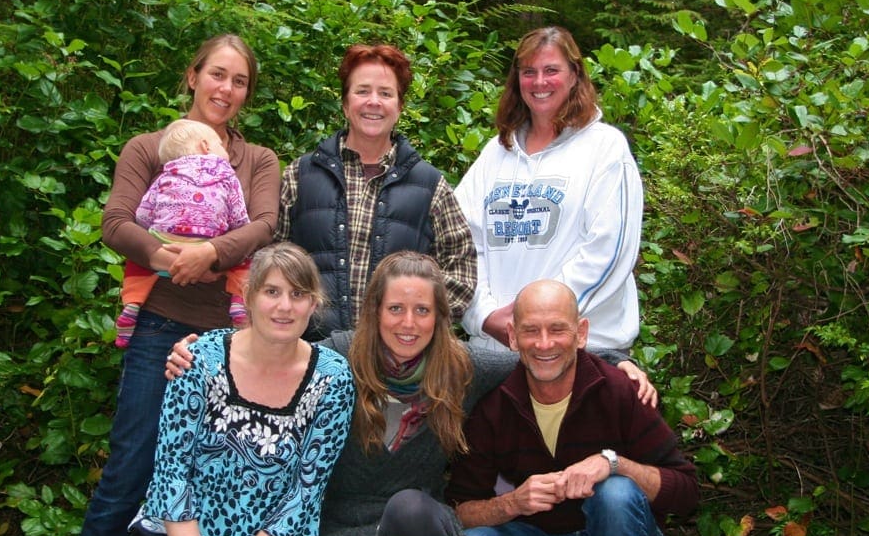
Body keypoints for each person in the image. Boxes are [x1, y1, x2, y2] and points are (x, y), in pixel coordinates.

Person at [167, 251, 516, 536]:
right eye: (395, 308)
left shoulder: (463, 366)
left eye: (422, 310)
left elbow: (546, 362)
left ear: (441, 316)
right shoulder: (336, 357)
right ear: (374, 310)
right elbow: (272, 355)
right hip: (342, 525)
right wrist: (196, 355)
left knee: (410, 508)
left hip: (418, 525)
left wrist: (609, 371)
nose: (408, 323)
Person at [41, 34, 281, 536]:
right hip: (159, 326)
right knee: (134, 458)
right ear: (193, 76)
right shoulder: (148, 148)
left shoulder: (257, 160)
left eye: (240, 81)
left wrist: (212, 253)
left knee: (224, 468)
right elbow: (116, 222)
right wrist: (171, 259)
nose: (226, 89)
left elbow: (263, 224)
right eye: (217, 75)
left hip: (234, 337)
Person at [123, 243, 355, 536]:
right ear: (248, 296)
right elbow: (171, 473)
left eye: (298, 294)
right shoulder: (198, 359)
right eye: (272, 291)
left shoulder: (332, 378)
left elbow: (306, 492)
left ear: (314, 304)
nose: (284, 306)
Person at [445, 280, 700, 536]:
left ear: (581, 333)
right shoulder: (494, 407)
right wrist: (513, 502)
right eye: (531, 330)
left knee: (617, 492)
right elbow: (460, 509)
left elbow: (686, 491)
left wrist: (614, 464)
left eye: (557, 329)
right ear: (512, 336)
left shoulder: (618, 390)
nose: (545, 343)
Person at [455, 26, 651, 390]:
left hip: (581, 354)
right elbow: (461, 243)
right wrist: (484, 316)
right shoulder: (496, 153)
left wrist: (538, 322)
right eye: (528, 72)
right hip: (495, 355)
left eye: (551, 70)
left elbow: (608, 251)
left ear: (575, 74)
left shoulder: (605, 148)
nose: (539, 82)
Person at [277, 43, 476, 340]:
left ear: (399, 107)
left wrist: (416, 322)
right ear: (345, 104)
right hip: (311, 353)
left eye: (385, 93)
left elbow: (462, 268)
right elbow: (270, 262)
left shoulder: (430, 185)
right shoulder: (301, 175)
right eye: (362, 91)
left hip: (394, 357)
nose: (374, 102)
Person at [115, 118, 252, 347]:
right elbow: (239, 217)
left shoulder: (165, 176)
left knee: (137, 261)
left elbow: (143, 214)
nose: (225, 151)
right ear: (205, 146)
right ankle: (238, 303)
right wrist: (233, 233)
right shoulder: (227, 175)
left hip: (166, 242)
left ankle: (132, 303)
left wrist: (153, 231)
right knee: (244, 258)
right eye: (220, 145)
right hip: (208, 243)